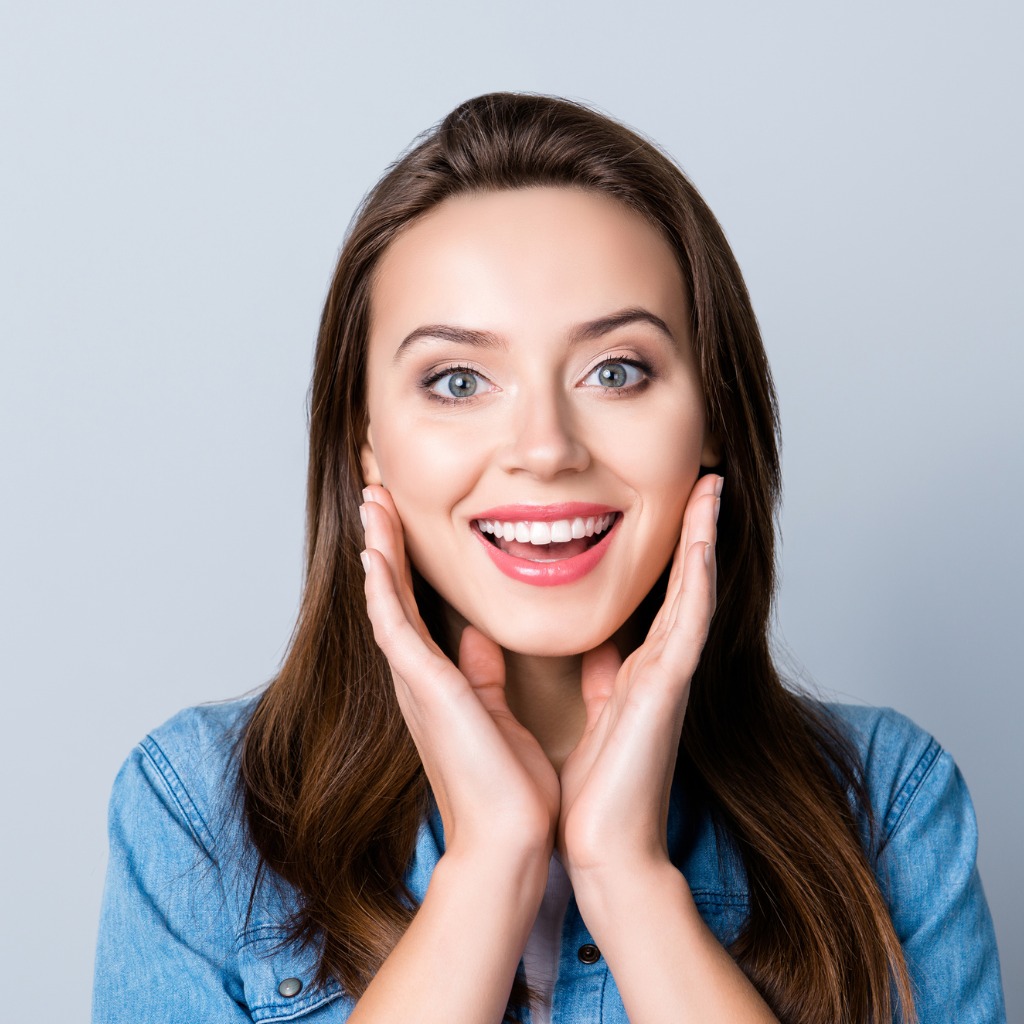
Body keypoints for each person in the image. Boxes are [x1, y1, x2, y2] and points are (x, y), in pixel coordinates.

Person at [92, 93, 1006, 1024]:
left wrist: (629, 877)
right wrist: (489, 864)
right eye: (457, 381)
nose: (545, 447)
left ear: (714, 418)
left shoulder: (889, 805)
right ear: (366, 442)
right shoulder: (197, 819)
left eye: (616, 370)